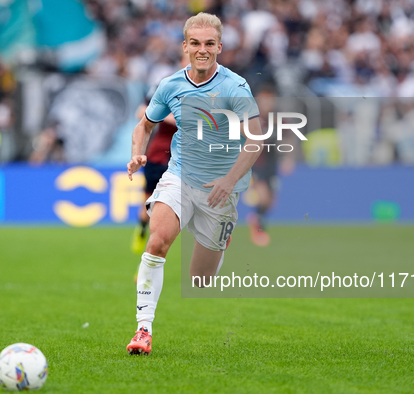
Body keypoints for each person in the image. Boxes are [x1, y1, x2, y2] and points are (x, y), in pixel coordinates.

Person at [125, 12, 263, 355]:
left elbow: (256, 140)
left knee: (200, 280)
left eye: (209, 44)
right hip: (180, 175)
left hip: (221, 188)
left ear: (220, 47)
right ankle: (143, 330)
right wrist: (137, 153)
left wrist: (230, 181)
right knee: (156, 242)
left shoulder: (235, 87)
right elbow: (144, 124)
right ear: (185, 46)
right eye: (196, 44)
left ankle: (221, 239)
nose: (202, 50)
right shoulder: (170, 85)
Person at [246, 85, 296, 246]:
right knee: (263, 195)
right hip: (256, 161)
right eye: (264, 99)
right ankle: (259, 229)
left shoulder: (278, 118)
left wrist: (289, 158)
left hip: (272, 161)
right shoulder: (251, 117)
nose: (267, 103)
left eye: (270, 100)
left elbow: (289, 137)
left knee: (271, 201)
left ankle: (256, 219)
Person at [130, 96, 178, 255]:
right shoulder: (168, 89)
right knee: (148, 203)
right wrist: (168, 117)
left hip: (181, 163)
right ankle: (142, 230)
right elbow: (141, 112)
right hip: (158, 158)